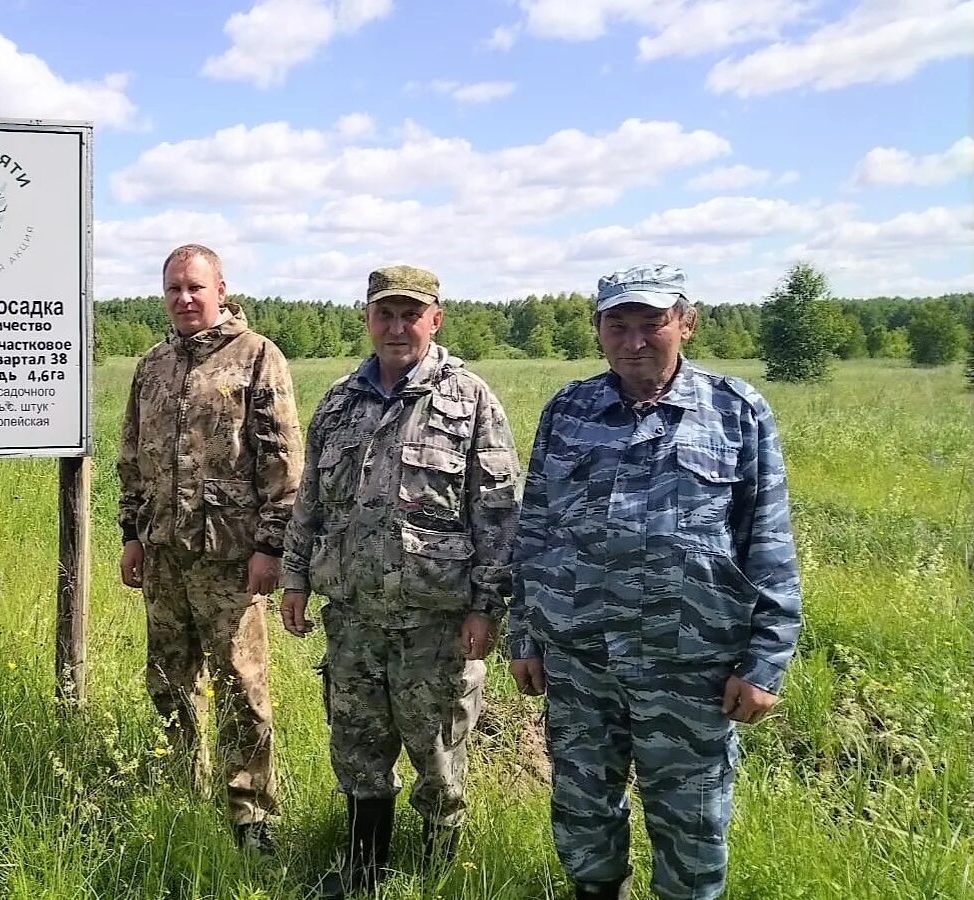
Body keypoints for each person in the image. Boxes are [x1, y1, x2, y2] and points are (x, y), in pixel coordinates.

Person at [508, 264, 802, 900]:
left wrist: (764, 664)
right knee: (583, 806)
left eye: (652, 324)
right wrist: (525, 635)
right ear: (599, 330)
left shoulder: (736, 410)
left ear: (686, 324)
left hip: (689, 662)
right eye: (618, 325)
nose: (634, 341)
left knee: (691, 823)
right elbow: (535, 529)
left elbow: (769, 540)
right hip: (580, 656)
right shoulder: (569, 408)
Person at [281, 265, 520, 897]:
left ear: (434, 319)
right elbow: (311, 499)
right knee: (357, 748)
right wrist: (295, 577)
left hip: (435, 623)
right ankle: (363, 872)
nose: (396, 327)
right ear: (367, 318)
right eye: (384, 314)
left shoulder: (469, 399)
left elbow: (497, 512)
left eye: (409, 314)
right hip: (354, 615)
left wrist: (486, 607)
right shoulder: (338, 401)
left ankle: (442, 872)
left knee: (438, 752)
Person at [116, 243, 302, 851]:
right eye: (173, 288)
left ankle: (251, 813)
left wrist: (270, 546)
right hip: (164, 552)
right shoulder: (154, 364)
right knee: (168, 679)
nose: (184, 298)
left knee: (240, 684)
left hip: (229, 556)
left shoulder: (256, 357)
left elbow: (282, 460)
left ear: (221, 289)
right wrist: (131, 535)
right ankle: (177, 788)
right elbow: (131, 457)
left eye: (196, 287)